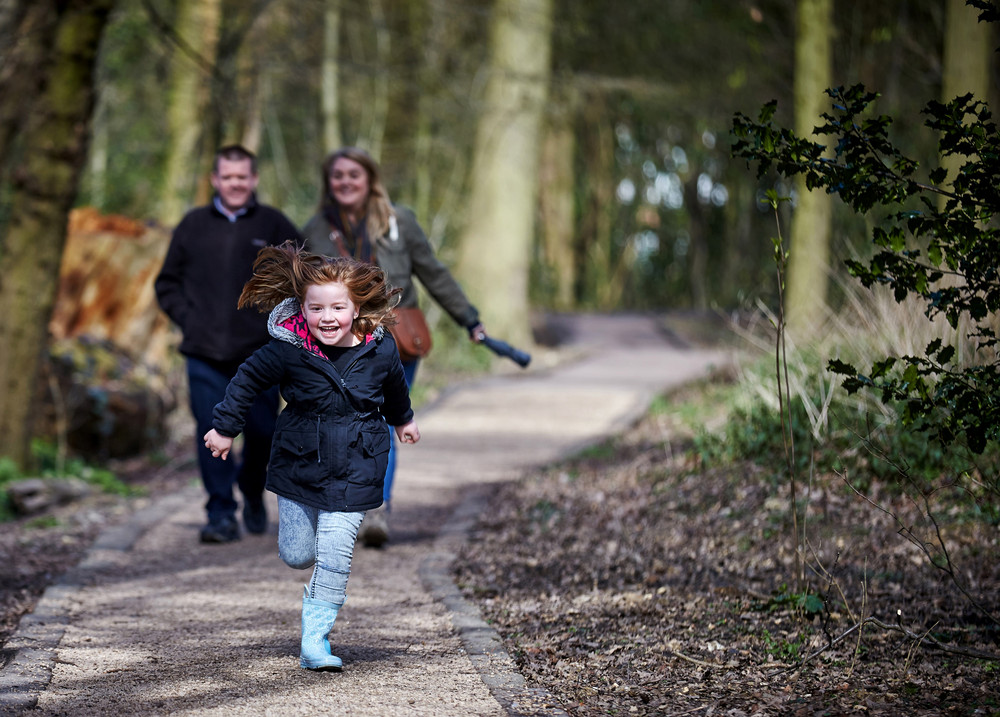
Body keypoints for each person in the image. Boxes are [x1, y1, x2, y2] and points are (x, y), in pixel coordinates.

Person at [203, 244, 419, 671]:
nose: (327, 318)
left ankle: (315, 640)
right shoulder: (287, 349)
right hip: (299, 463)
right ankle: (312, 570)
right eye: (316, 308)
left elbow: (394, 387)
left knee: (336, 552)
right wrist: (226, 427)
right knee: (298, 554)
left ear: (356, 307)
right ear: (301, 308)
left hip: (359, 463)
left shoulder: (381, 348)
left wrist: (404, 420)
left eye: (337, 307)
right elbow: (246, 380)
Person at [302, 146, 485, 547]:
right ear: (328, 183)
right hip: (337, 343)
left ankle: (375, 509)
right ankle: (337, 508)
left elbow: (433, 273)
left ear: (370, 179)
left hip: (396, 341)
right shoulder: (315, 229)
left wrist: (468, 319)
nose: (346, 182)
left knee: (382, 423)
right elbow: (300, 290)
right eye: (338, 175)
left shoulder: (399, 222)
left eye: (354, 174)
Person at [155, 144, 301, 544]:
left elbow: (306, 281)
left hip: (261, 353)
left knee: (262, 432)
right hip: (204, 353)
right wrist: (189, 318)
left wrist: (283, 326)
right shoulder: (192, 225)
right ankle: (219, 512)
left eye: (242, 177)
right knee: (211, 430)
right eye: (227, 177)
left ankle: (252, 492)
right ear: (215, 180)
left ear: (253, 180)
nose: (235, 184)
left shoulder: (274, 224)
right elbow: (166, 283)